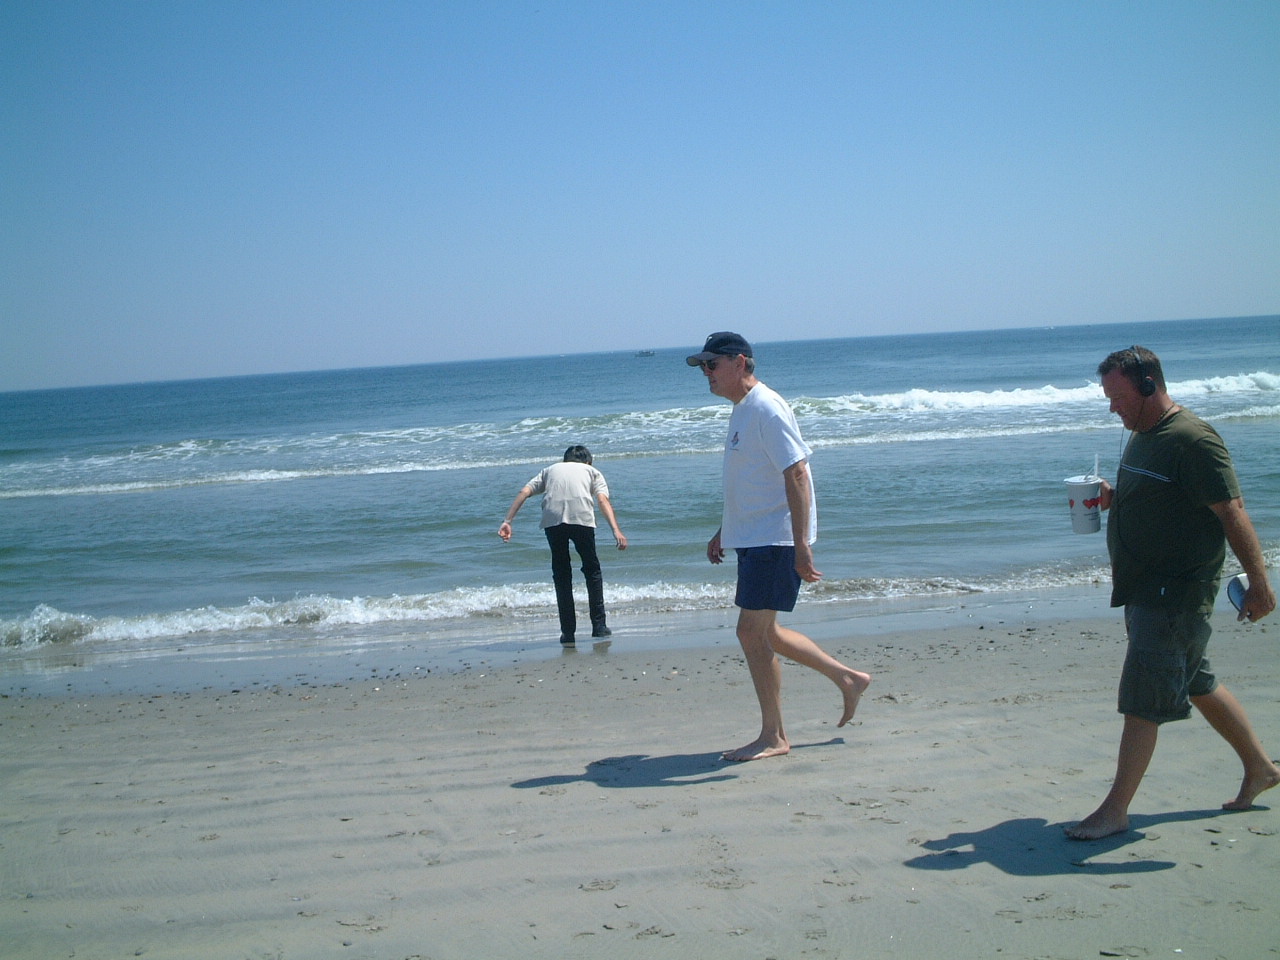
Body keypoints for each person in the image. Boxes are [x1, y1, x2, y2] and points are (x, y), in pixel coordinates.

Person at [1066, 345, 1279, 840]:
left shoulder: (1191, 439)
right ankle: (1261, 767)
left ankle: (1115, 810)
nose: (1112, 408)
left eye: (1118, 397)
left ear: (1148, 386)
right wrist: (1114, 498)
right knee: (1196, 680)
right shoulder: (1143, 435)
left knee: (1143, 698)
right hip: (1144, 587)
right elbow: (1162, 497)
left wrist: (1260, 583)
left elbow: (1232, 510)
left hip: (1174, 592)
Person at [688, 332, 872, 762]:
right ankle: (847, 679)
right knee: (765, 632)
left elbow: (797, 473)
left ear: (739, 362)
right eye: (702, 367)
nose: (706, 374)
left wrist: (800, 545)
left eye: (712, 365)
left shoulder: (767, 407)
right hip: (754, 538)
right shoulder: (742, 409)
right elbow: (753, 480)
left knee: (750, 632)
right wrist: (725, 530)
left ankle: (774, 736)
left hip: (775, 540)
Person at [499, 445, 627, 645]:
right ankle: (599, 627)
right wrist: (616, 530)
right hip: (581, 519)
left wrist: (508, 521)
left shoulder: (550, 470)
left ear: (565, 460)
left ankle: (568, 632)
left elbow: (524, 492)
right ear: (588, 461)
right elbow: (602, 500)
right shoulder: (592, 471)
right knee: (592, 570)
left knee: (561, 574)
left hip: (553, 520)